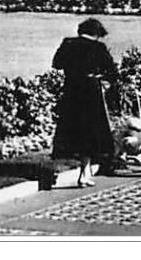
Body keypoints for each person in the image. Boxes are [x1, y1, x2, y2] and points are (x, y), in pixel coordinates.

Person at [50, 17, 119, 188]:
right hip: (90, 92)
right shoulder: (98, 48)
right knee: (90, 132)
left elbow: (56, 64)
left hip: (71, 91)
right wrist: (103, 80)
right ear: (96, 34)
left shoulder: (68, 44)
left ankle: (81, 171)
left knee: (72, 130)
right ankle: (84, 173)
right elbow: (111, 71)